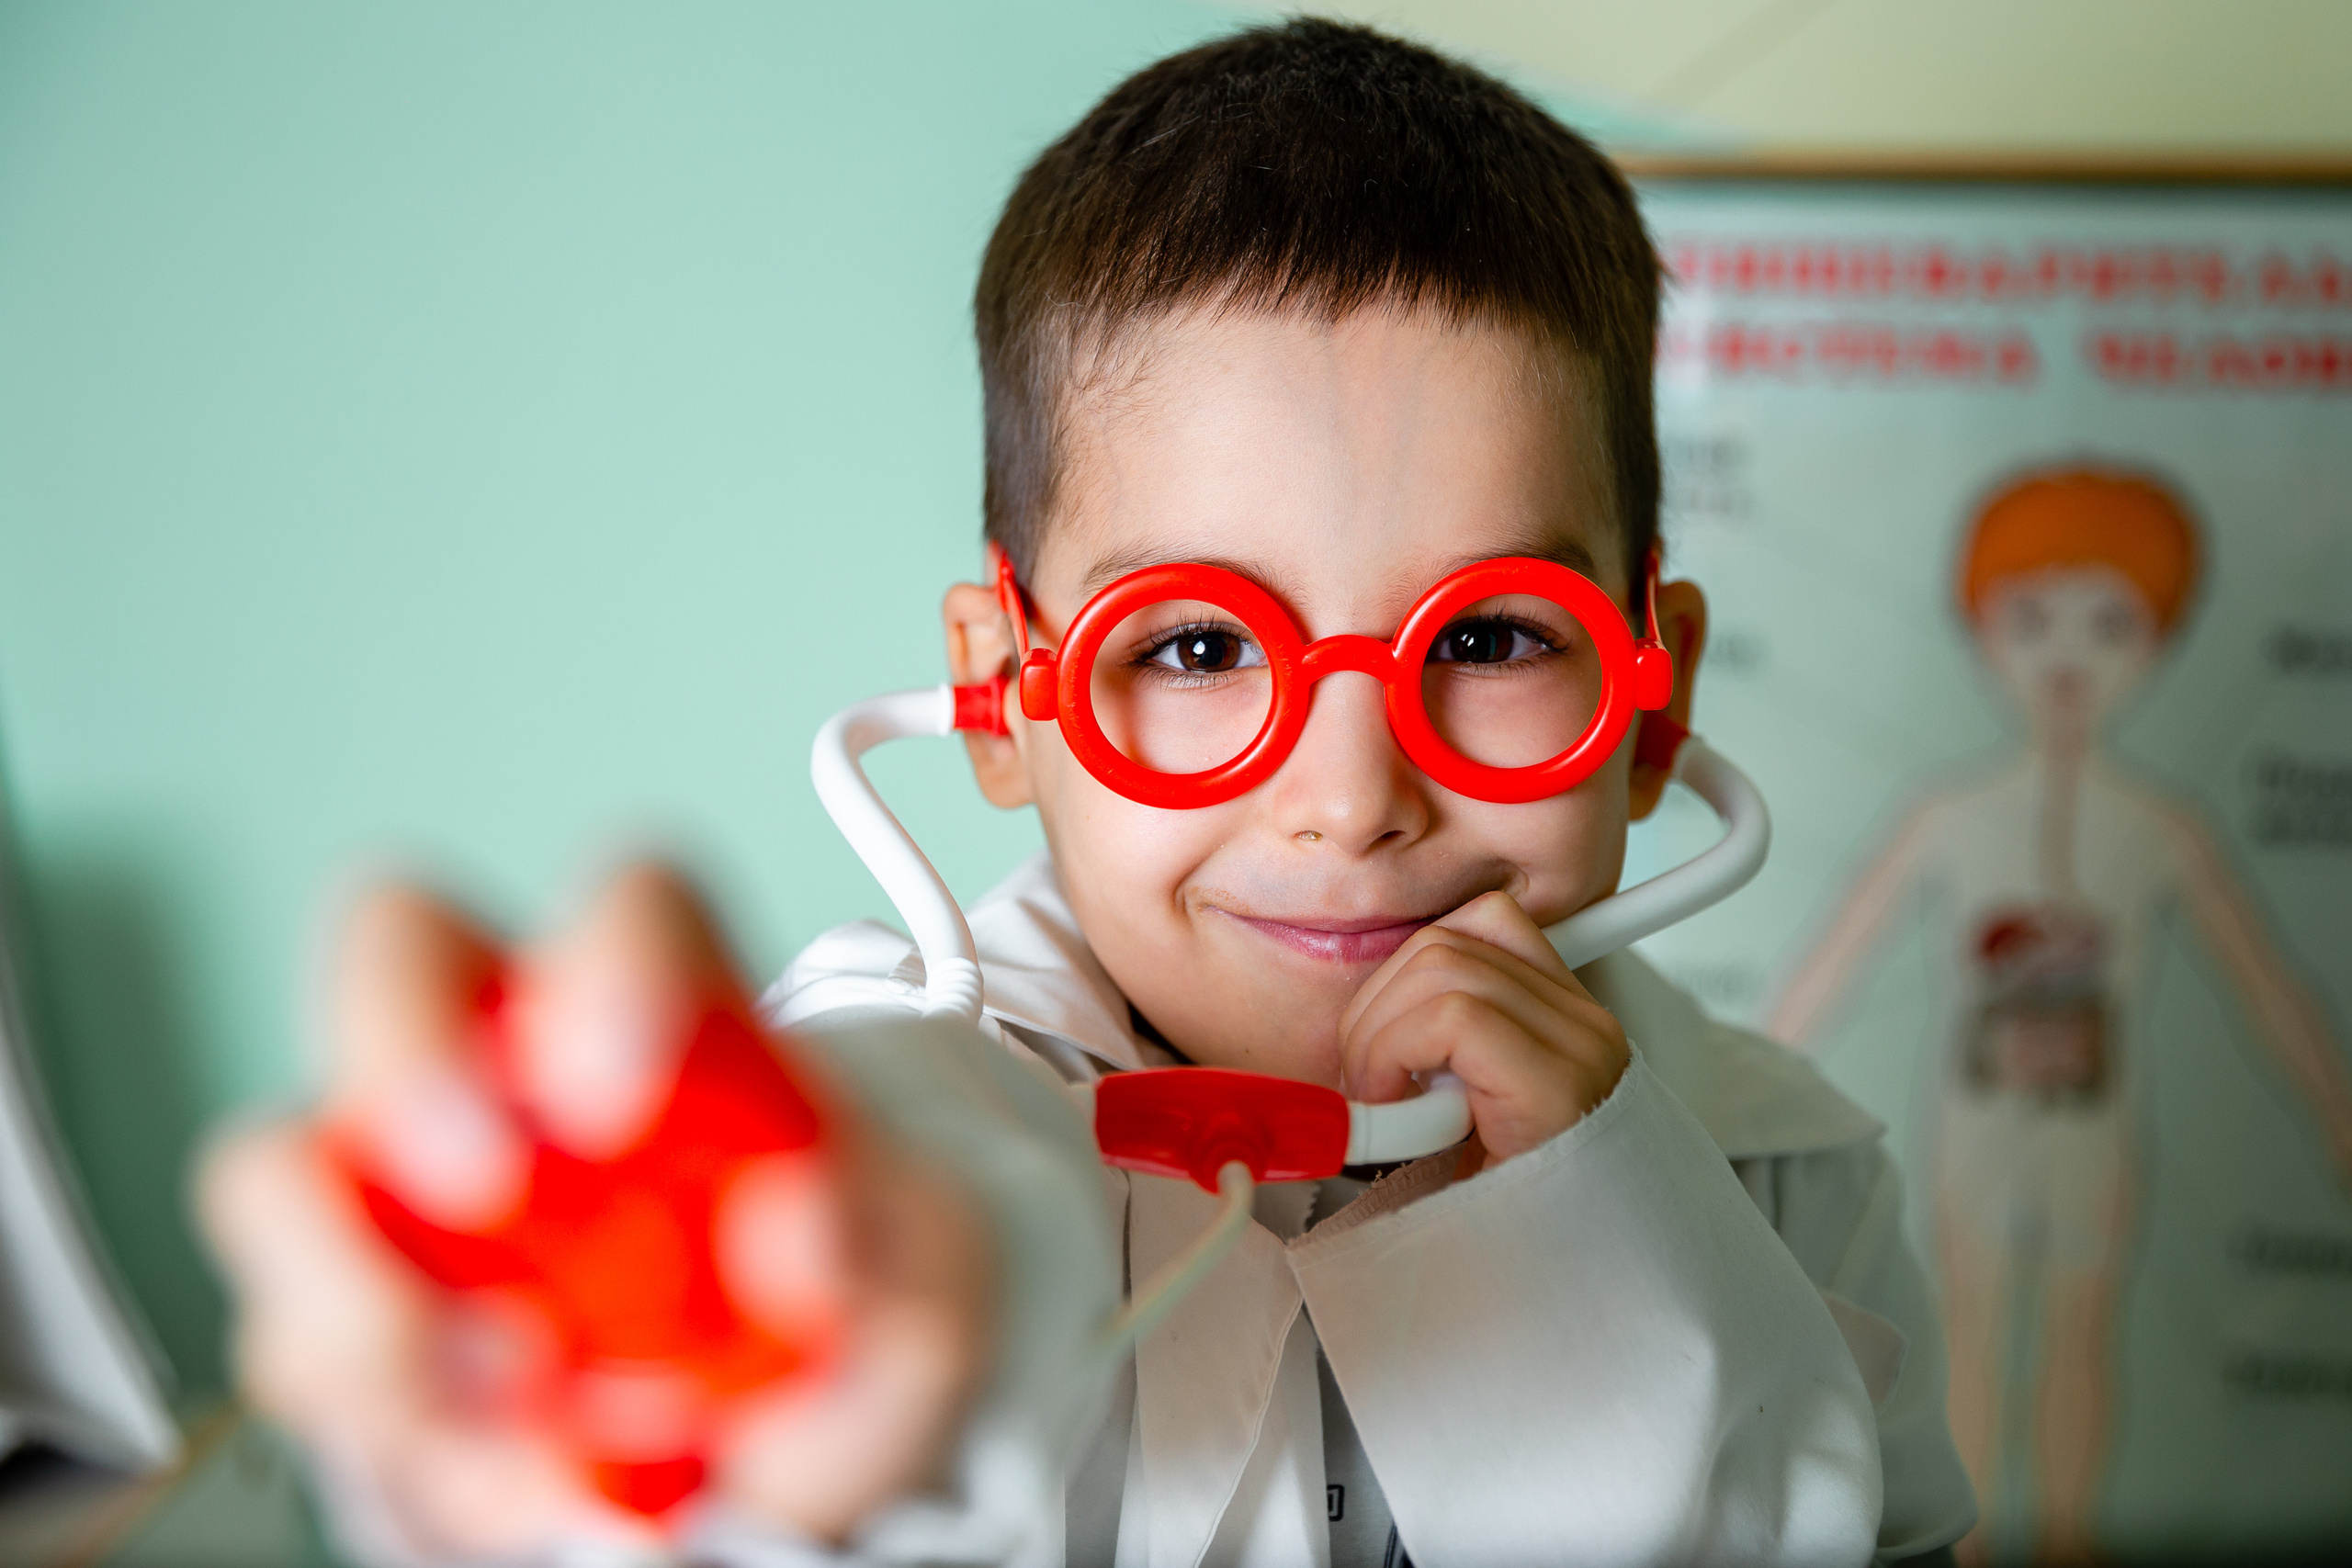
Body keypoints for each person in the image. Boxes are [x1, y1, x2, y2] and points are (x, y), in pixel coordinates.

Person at [202, 20, 1975, 1566]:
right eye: (1198, 650)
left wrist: (1627, 1238)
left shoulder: (1791, 1174)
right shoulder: (904, 1097)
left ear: (1650, 696)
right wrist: (853, 1327)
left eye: (1490, 635)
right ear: (1005, 692)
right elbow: (925, 1215)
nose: (1348, 797)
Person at [1770, 467, 2352, 1565]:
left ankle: (2071, 1539)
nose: (2068, 656)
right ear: (1981, 632)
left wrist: (2334, 1112)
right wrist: (1733, 1099)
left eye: (2111, 622)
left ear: (2159, 639)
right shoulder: (1951, 814)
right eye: (2030, 620)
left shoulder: (2157, 827)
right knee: (1978, 1332)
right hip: (1979, 1123)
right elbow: (1835, 956)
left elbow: (2265, 981)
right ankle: (1978, 1542)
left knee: (2084, 1334)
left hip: (2096, 1128)